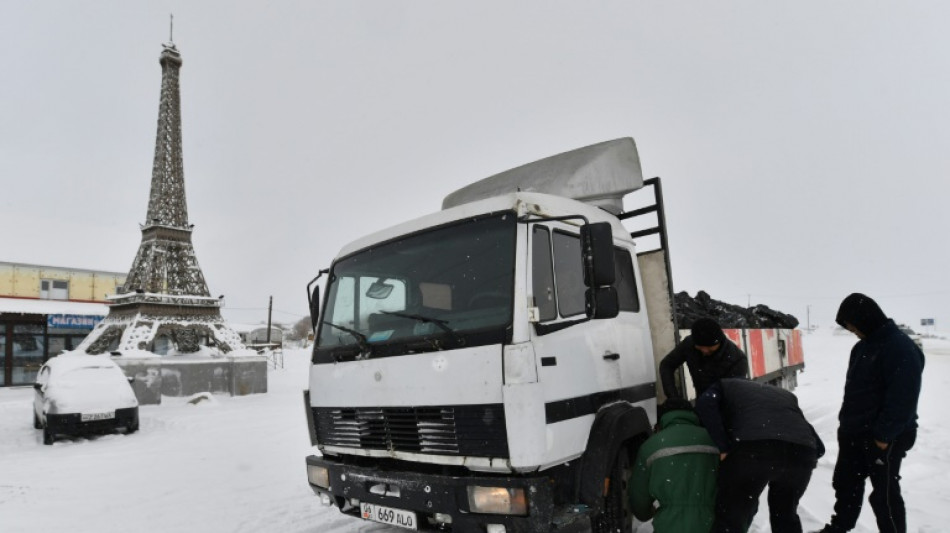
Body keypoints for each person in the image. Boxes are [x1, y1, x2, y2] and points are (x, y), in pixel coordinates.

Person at [817, 293, 925, 533]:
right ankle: (839, 528)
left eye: (853, 325)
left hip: (885, 437)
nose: (852, 330)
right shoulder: (861, 347)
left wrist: (883, 437)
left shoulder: (900, 347)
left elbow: (903, 398)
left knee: (884, 496)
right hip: (855, 434)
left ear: (866, 319)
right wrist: (846, 428)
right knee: (846, 485)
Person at [695, 378, 824, 533]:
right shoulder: (784, 396)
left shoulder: (722, 385)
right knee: (785, 515)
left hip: (753, 450)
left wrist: (723, 445)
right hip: (801, 453)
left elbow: (705, 403)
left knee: (731, 515)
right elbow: (819, 447)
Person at [628, 398, 719, 533]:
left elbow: (638, 498)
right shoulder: (715, 440)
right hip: (713, 524)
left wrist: (646, 513)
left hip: (669, 526)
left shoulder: (650, 447)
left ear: (662, 419)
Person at [659, 317, 748, 400]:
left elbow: (732, 397)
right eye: (700, 346)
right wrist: (673, 397)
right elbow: (667, 365)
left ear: (719, 341)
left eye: (710, 348)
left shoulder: (738, 360)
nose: (705, 351)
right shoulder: (689, 344)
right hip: (701, 401)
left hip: (725, 408)